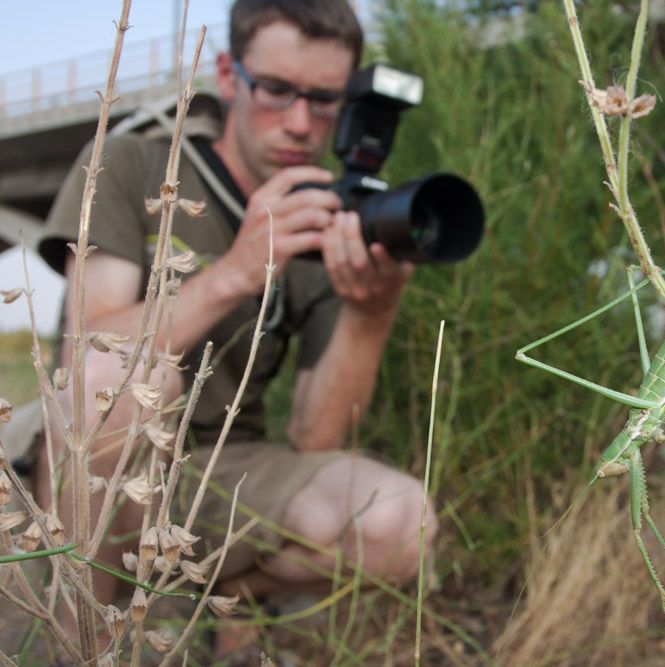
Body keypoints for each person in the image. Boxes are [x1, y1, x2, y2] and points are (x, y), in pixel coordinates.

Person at [34, 0, 437, 656]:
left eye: (326, 99)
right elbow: (88, 355)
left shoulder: (328, 223)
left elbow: (315, 435)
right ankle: (81, 634)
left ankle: (223, 601)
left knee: (399, 521)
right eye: (276, 90)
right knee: (128, 374)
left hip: (226, 467)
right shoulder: (134, 163)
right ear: (227, 74)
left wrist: (371, 311)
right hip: (95, 456)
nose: (301, 122)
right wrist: (237, 271)